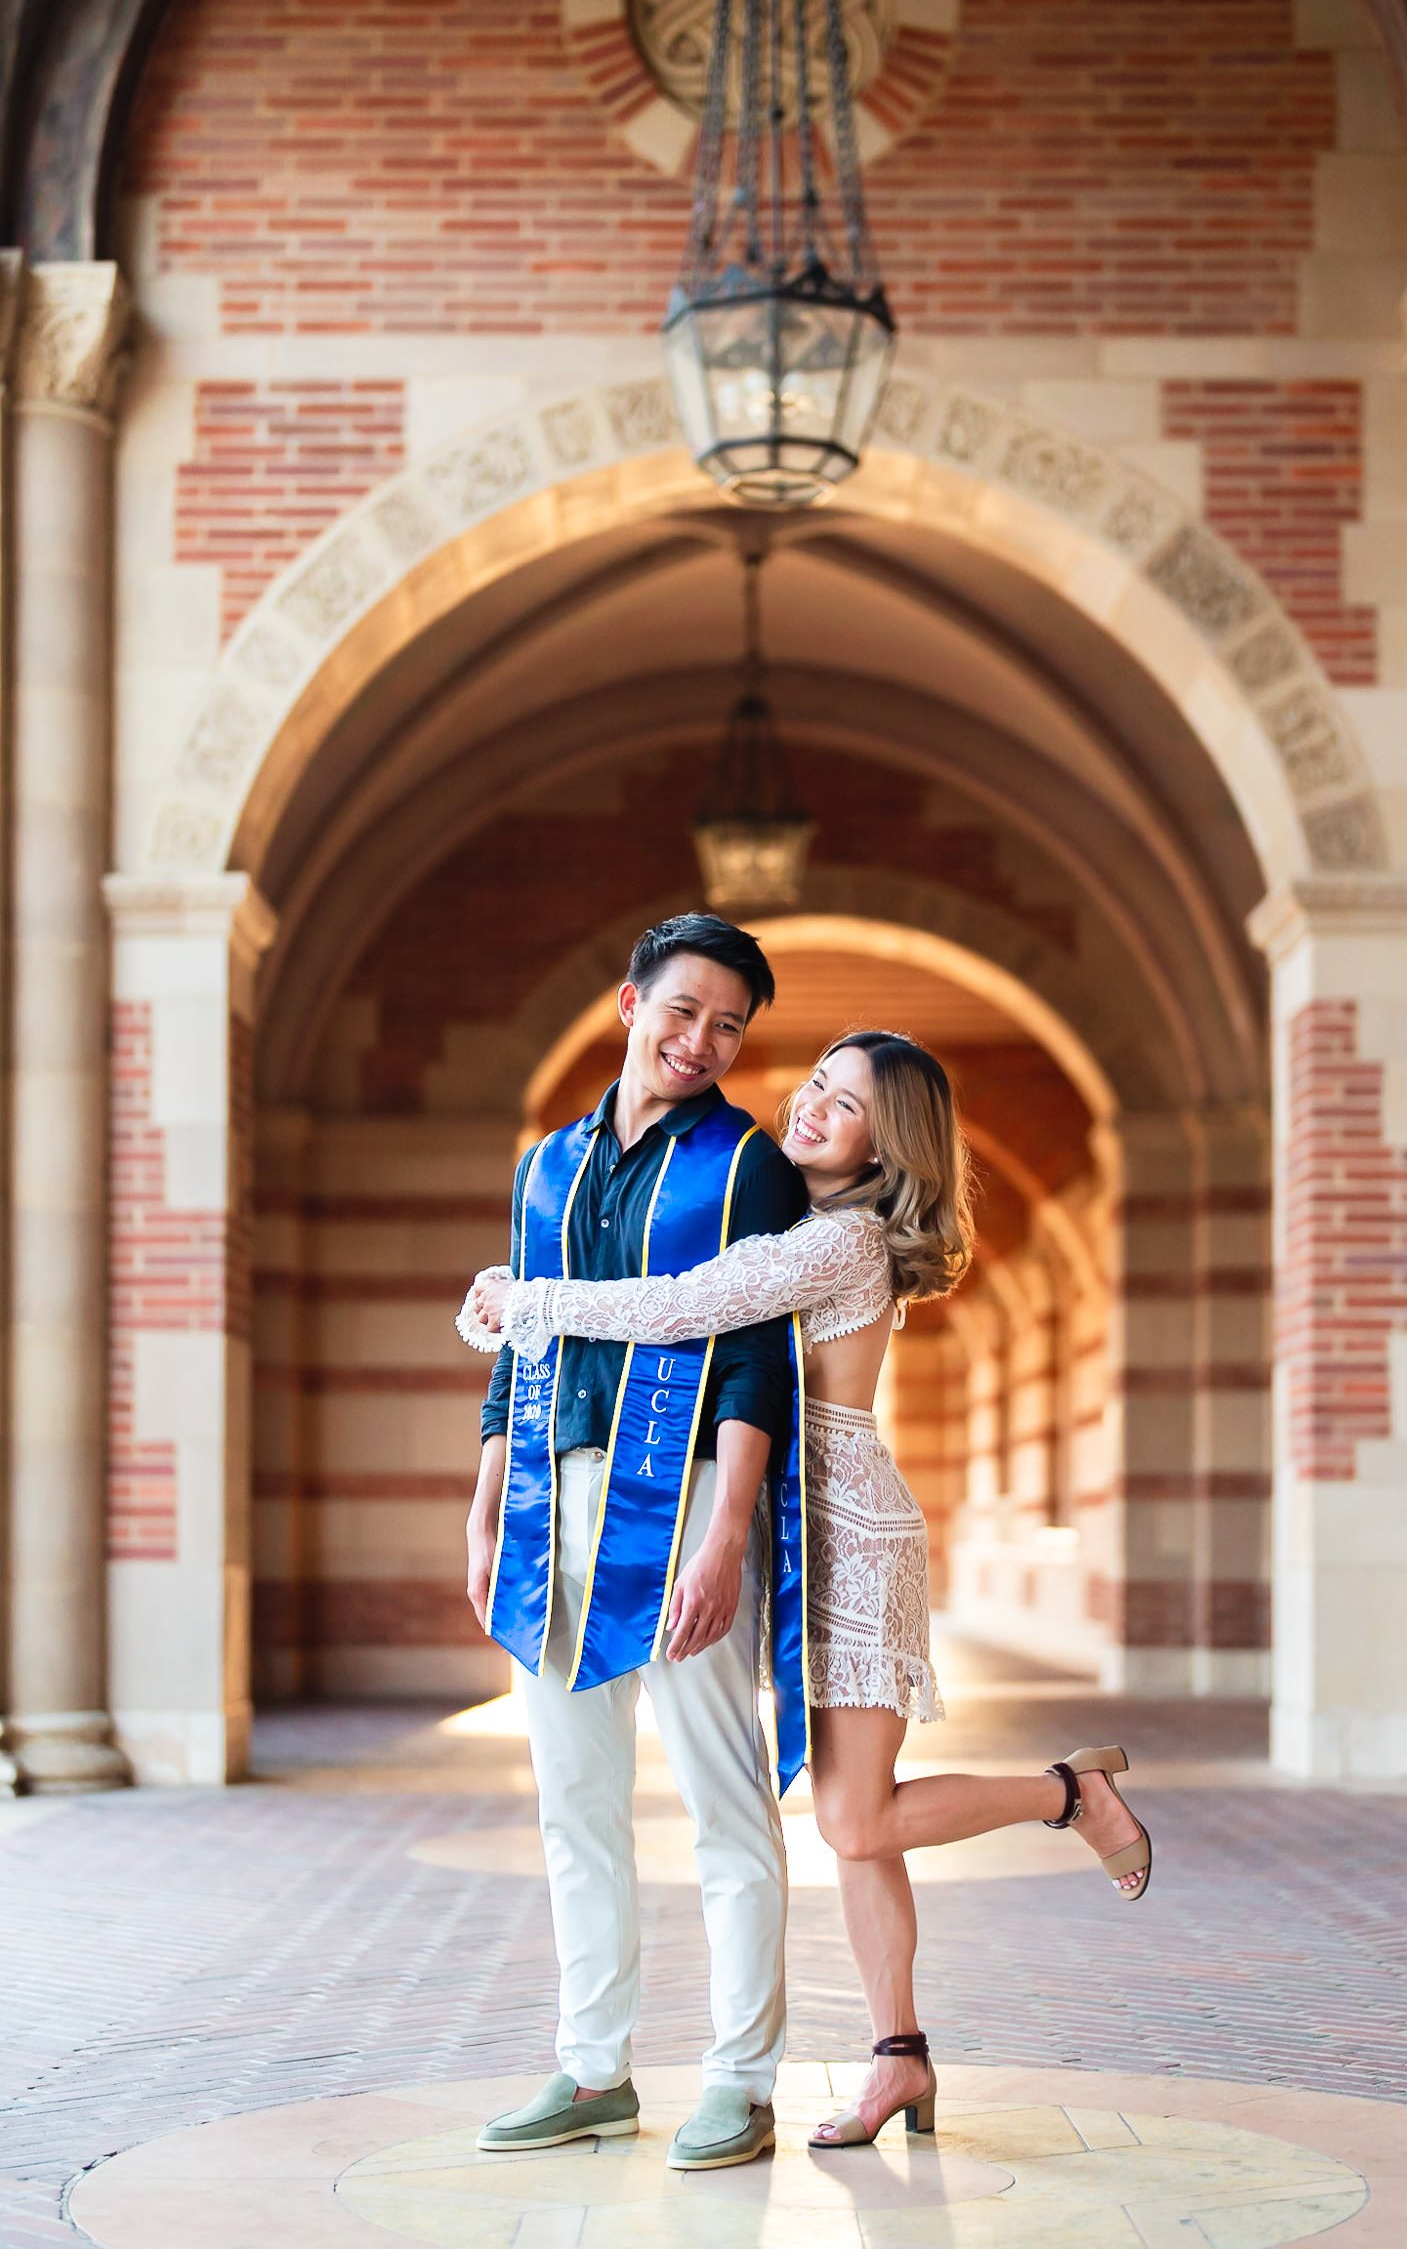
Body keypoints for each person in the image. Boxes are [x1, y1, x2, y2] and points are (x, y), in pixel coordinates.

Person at [461, 1024, 1153, 2153]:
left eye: (846, 1103)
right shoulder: (802, 1219)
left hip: (850, 1537)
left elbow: (685, 1303)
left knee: (852, 1814)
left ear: (891, 1143)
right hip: (800, 1531)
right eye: (816, 1085)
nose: (812, 1108)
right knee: (857, 1829)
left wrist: (533, 1302)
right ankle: (899, 2062)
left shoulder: (844, 1240)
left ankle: (1067, 1794)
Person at [461, 913, 807, 2175]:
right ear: (627, 1003)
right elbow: (519, 1337)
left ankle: (739, 2077)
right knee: (575, 1803)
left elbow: (758, 1358)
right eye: (683, 1012)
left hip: (685, 1502)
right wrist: (487, 1496)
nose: (701, 1041)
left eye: (729, 1025)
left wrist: (728, 1537)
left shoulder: (746, 1168)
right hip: (556, 1506)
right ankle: (594, 2066)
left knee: (723, 1799)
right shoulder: (543, 1165)